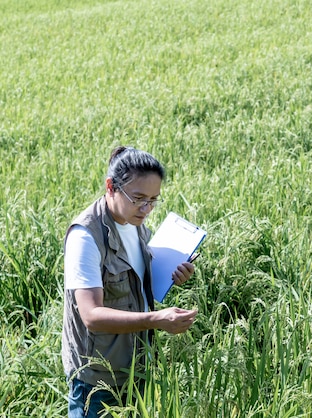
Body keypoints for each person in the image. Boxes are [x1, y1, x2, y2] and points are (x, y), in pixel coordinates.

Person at [62, 146, 198, 417]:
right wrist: (154, 319)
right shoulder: (85, 237)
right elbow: (91, 315)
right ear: (111, 186)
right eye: (138, 198)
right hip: (98, 379)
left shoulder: (136, 224)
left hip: (138, 366)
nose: (146, 208)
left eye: (153, 200)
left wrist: (173, 272)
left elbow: (137, 284)